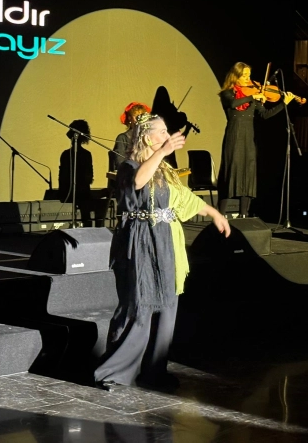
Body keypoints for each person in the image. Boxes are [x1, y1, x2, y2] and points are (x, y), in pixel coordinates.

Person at [94, 113, 230, 392]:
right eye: (162, 132)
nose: (167, 136)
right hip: (140, 239)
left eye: (168, 133)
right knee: (141, 303)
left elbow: (184, 198)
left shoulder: (165, 170)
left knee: (167, 305)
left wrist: (214, 212)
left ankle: (154, 370)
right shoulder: (129, 166)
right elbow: (138, 182)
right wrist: (163, 152)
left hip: (165, 240)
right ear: (147, 137)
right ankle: (116, 373)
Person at [217, 62, 294, 218]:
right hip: (234, 136)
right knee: (231, 172)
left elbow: (265, 114)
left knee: (248, 173)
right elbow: (233, 103)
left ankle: (243, 214)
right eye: (244, 75)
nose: (248, 78)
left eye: (249, 75)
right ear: (235, 76)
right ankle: (220, 214)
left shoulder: (254, 96)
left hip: (249, 137)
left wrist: (283, 104)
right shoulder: (227, 93)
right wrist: (252, 96)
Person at [58, 120, 94, 227]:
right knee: (86, 212)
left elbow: (62, 177)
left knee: (85, 209)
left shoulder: (67, 154)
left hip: (77, 192)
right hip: (76, 192)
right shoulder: (84, 155)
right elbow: (89, 177)